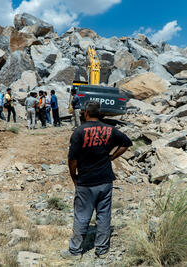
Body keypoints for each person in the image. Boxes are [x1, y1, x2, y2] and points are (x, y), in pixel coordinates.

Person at [61, 100, 133, 259]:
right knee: (104, 215)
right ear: (99, 114)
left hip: (86, 181)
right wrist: (112, 157)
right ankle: (101, 250)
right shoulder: (110, 130)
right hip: (105, 180)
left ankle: (75, 252)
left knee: (82, 216)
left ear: (86, 113)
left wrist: (74, 177)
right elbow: (127, 143)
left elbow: (72, 159)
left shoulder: (79, 132)